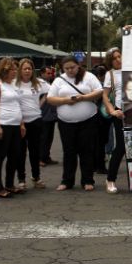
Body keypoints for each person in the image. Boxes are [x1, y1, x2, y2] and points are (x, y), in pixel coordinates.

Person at [46, 56, 105, 191]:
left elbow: (99, 91)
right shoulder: (59, 80)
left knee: (86, 150)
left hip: (88, 119)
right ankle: (67, 181)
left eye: (72, 67)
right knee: (69, 151)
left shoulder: (89, 76)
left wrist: (83, 97)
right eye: (66, 68)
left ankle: (88, 180)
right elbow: (50, 98)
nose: (70, 70)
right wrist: (66, 101)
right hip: (65, 122)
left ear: (78, 65)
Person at [0, 58, 26, 198]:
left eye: (15, 69)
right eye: (11, 70)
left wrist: (21, 124)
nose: (15, 72)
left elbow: (18, 105)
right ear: (3, 70)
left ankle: (9, 184)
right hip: (2, 125)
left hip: (14, 126)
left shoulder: (13, 85)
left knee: (14, 156)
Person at [14, 58, 49, 190]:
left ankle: (36, 177)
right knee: (20, 152)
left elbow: (50, 92)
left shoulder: (38, 83)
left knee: (35, 151)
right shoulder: (14, 84)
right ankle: (21, 179)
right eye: (25, 68)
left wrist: (40, 103)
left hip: (35, 121)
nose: (27, 71)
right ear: (20, 70)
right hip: (19, 122)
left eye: (30, 68)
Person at [102, 47, 124, 194]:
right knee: (121, 147)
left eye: (119, 56)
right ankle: (110, 179)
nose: (117, 60)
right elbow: (105, 95)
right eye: (114, 58)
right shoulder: (110, 74)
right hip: (120, 113)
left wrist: (130, 32)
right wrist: (111, 110)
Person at [92, 64, 111, 175]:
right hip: (102, 117)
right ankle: (100, 166)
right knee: (101, 143)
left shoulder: (92, 86)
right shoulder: (102, 87)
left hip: (94, 116)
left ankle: (95, 165)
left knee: (95, 142)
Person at [38, 67, 59, 167]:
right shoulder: (39, 84)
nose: (50, 75)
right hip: (43, 115)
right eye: (48, 73)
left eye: (51, 73)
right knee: (44, 138)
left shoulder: (48, 84)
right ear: (42, 73)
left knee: (49, 137)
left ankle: (46, 157)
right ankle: (41, 158)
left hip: (50, 115)